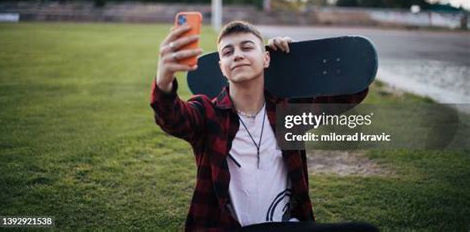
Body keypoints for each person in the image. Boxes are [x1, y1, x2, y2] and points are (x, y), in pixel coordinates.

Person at [150, 20, 377, 231]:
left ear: (266, 58)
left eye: (247, 47)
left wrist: (302, 64)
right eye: (228, 52)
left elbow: (352, 93)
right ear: (222, 67)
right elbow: (173, 118)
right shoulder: (209, 113)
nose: (237, 55)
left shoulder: (288, 113)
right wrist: (164, 79)